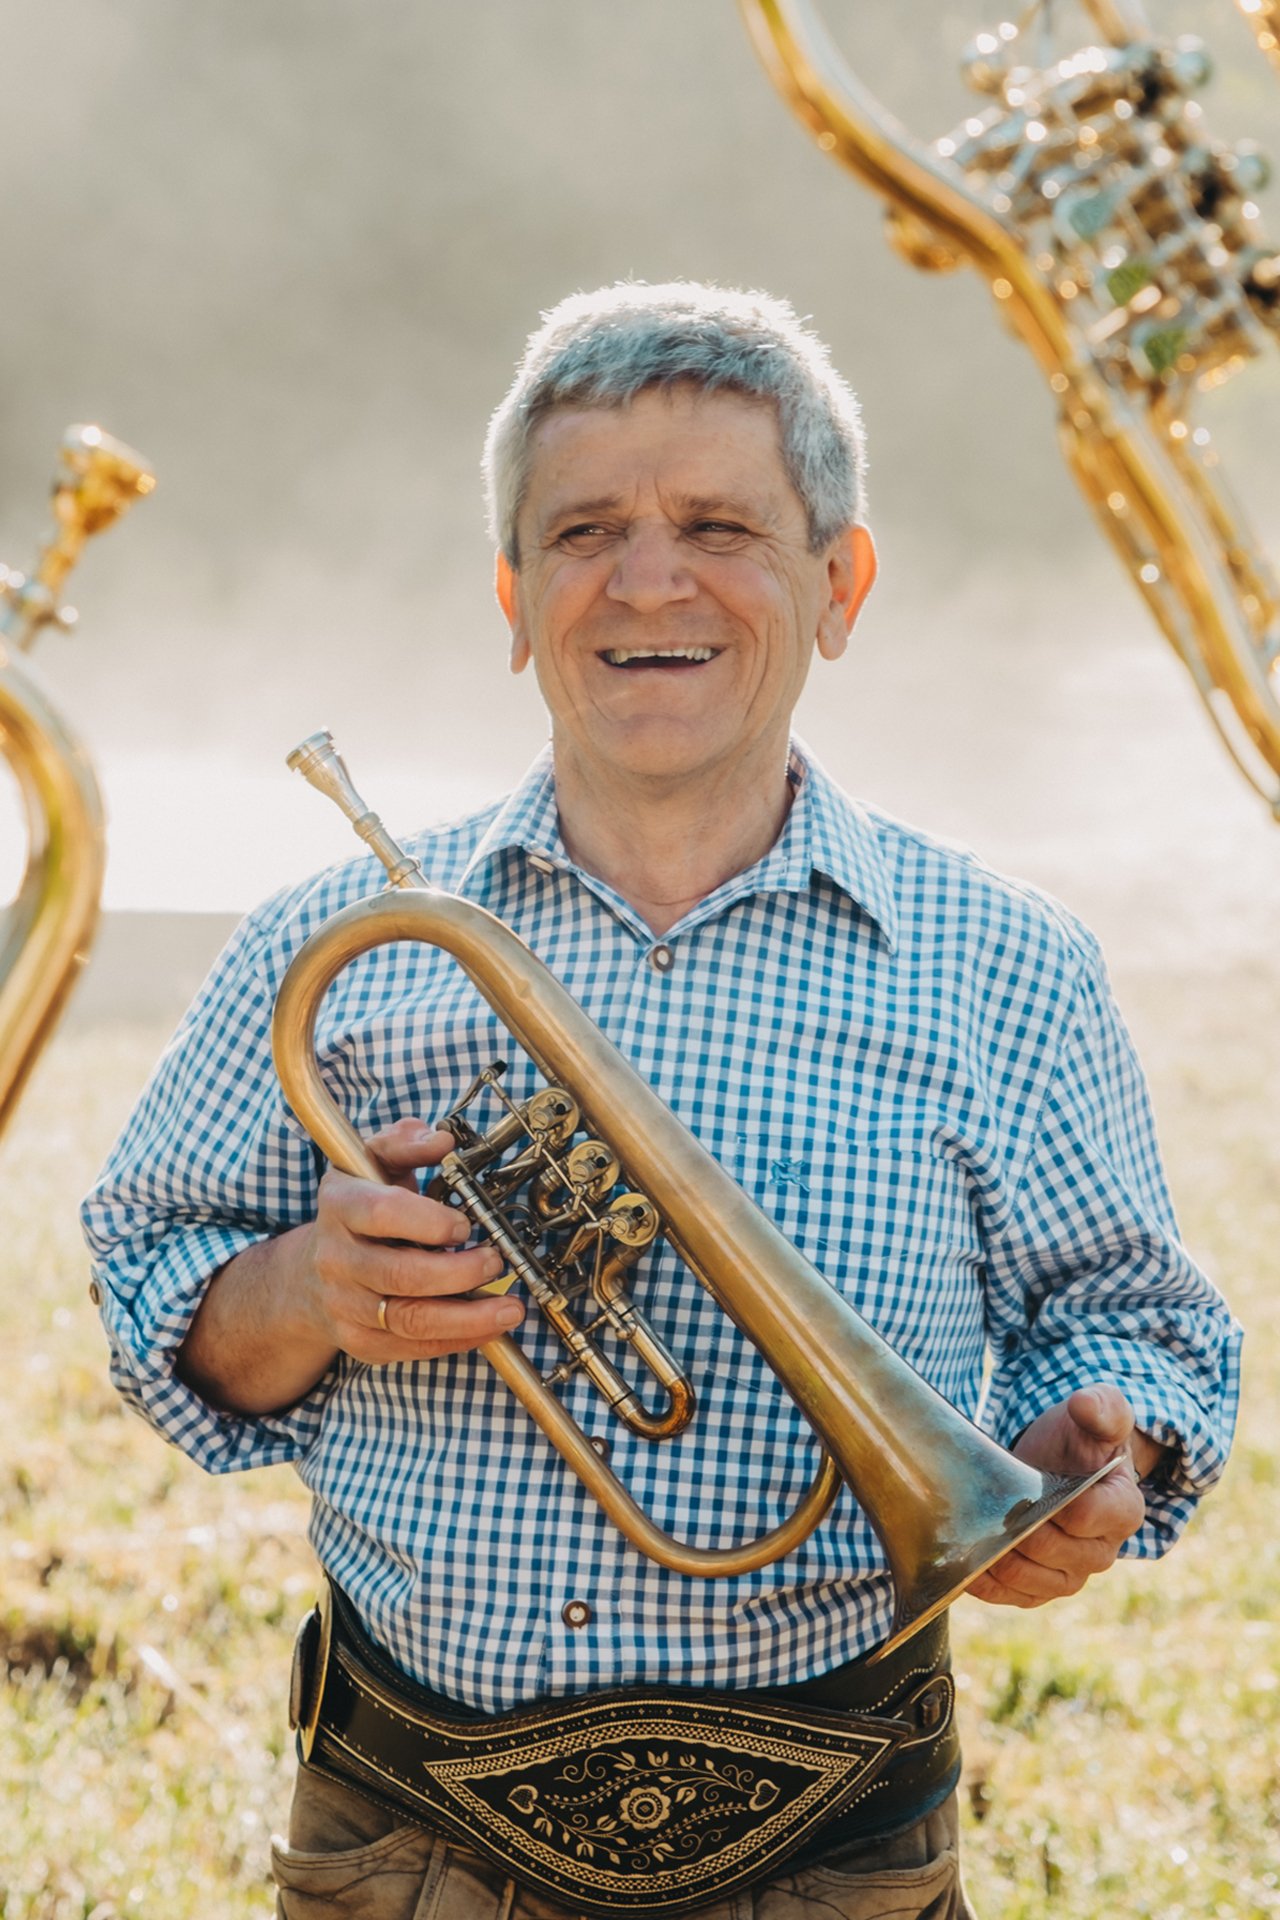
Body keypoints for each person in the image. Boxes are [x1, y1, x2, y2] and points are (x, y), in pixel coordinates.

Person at [83, 282, 1241, 1920]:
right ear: (511, 595)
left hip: (840, 1852)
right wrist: (303, 1291)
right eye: (582, 534)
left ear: (839, 584)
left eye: (719, 525)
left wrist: (1102, 1454)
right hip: (412, 1841)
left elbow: (1135, 1321)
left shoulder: (1006, 961)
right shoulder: (338, 948)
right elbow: (144, 1286)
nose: (646, 579)